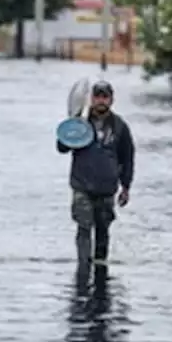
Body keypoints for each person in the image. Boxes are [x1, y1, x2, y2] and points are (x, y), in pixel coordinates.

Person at [56, 80, 135, 266]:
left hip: (107, 188)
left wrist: (126, 187)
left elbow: (128, 157)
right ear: (91, 99)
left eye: (105, 97)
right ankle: (83, 266)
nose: (101, 100)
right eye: (97, 96)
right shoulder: (80, 123)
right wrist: (71, 125)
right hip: (82, 185)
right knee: (83, 228)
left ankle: (100, 267)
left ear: (111, 100)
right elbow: (62, 147)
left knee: (103, 230)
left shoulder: (120, 126)